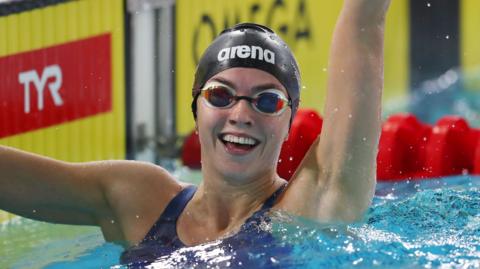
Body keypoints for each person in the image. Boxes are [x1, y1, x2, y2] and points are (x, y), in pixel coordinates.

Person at [0, 0, 391, 266]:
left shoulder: (311, 207)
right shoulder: (140, 199)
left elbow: (364, 24)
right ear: (196, 109)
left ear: (290, 121)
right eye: (220, 95)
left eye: (267, 101)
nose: (240, 113)